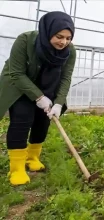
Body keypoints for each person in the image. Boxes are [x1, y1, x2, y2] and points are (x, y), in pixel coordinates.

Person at [0, 11, 76, 185]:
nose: (63, 42)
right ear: (48, 31)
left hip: (48, 85)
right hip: (18, 84)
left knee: (43, 120)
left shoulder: (70, 51)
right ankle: (17, 168)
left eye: (68, 38)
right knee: (22, 118)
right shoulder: (25, 41)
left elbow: (65, 78)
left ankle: (32, 158)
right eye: (59, 36)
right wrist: (38, 97)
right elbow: (17, 73)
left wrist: (58, 102)